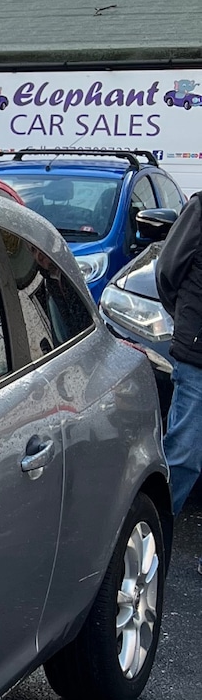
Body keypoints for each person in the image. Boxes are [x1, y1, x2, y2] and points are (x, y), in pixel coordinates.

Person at [156, 191, 202, 521]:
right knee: (184, 454)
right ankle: (157, 532)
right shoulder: (200, 208)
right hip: (199, 359)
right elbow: (167, 272)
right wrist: (189, 324)